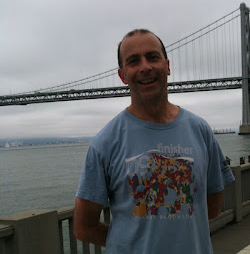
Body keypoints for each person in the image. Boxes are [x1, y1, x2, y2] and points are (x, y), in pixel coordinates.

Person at [73, 29, 235, 253]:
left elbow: (213, 205)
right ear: (122, 75)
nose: (145, 67)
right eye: (133, 61)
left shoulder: (201, 130)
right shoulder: (104, 143)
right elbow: (83, 227)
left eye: (152, 57)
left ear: (167, 66)